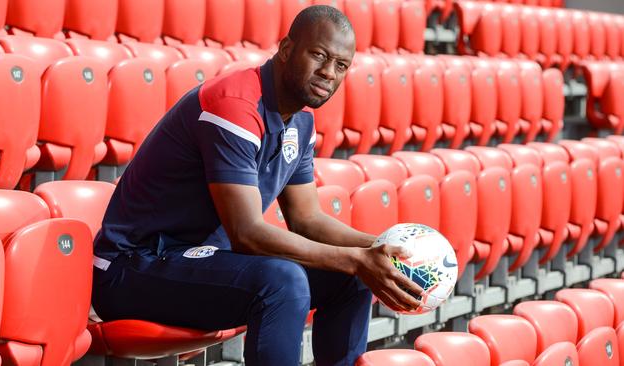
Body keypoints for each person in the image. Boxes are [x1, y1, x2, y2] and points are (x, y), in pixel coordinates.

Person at [91, 5, 422, 366]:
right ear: (285, 49)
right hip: (133, 268)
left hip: (201, 263)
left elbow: (308, 219)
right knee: (282, 280)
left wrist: (381, 249)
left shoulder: (301, 121)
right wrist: (357, 260)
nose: (328, 72)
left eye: (341, 65)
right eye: (319, 55)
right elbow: (246, 233)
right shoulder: (234, 104)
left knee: (351, 278)